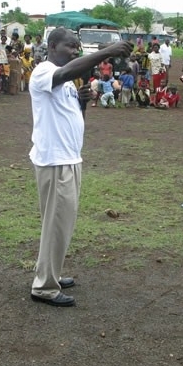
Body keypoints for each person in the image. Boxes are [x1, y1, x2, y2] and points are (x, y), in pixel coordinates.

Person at [28, 27, 132, 307]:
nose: (75, 51)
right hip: (56, 161)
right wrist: (107, 51)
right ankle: (44, 287)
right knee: (56, 224)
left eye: (77, 47)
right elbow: (65, 73)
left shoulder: (67, 82)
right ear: (52, 46)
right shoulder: (44, 71)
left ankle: (50, 272)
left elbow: (71, 118)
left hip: (68, 158)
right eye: (70, 46)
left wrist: (82, 104)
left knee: (60, 223)